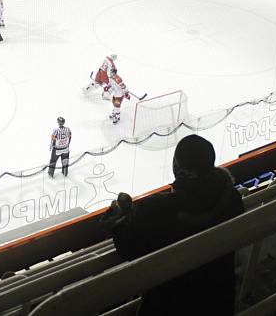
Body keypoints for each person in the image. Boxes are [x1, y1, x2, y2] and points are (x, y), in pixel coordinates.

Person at [102, 134, 243, 315]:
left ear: (177, 168)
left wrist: (117, 220)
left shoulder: (161, 209)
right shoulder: (232, 197)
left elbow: (128, 247)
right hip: (219, 302)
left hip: (171, 305)